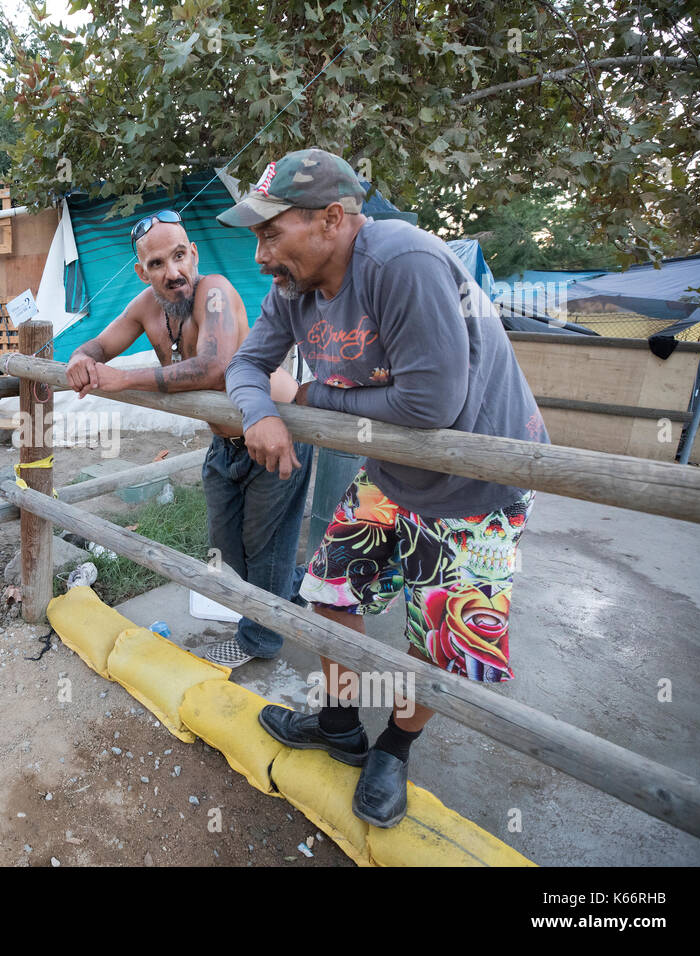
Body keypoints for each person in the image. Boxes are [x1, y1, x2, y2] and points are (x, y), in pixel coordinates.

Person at [220, 148, 549, 827]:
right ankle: (341, 722)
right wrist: (261, 413)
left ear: (332, 219)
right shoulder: (294, 288)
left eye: (269, 232)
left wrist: (306, 395)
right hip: (395, 475)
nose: (259, 255)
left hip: (479, 486)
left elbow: (432, 406)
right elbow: (249, 365)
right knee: (330, 590)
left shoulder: (402, 262)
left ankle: (396, 747)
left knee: (439, 640)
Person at [65, 209, 314, 669]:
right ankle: (294, 588)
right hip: (226, 444)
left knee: (266, 544)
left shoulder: (213, 292)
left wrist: (122, 380)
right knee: (227, 544)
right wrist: (81, 358)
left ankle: (259, 638)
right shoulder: (145, 306)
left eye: (180, 256)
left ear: (193, 254)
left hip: (278, 431)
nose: (173, 272)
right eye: (158, 264)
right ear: (143, 271)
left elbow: (213, 367)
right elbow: (98, 346)